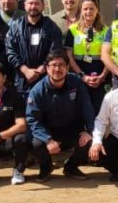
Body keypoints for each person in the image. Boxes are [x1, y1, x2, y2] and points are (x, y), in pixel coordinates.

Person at [26, 49, 95, 181]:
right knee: (36, 143)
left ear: (68, 68)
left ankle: (71, 167)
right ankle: (46, 168)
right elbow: (33, 119)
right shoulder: (37, 91)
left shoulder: (76, 83)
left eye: (61, 65)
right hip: (49, 131)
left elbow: (87, 108)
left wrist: (90, 131)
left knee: (89, 140)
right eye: (53, 65)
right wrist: (47, 139)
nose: (57, 69)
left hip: (72, 129)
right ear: (47, 68)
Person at [6, 0, 64, 101]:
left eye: (37, 3)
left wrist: (41, 69)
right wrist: (25, 70)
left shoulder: (51, 27)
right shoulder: (15, 26)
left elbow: (55, 51)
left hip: (45, 80)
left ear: (43, 5)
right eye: (30, 3)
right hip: (21, 82)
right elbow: (10, 51)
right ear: (24, 5)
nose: (33, 6)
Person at [65, 0, 109, 115]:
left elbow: (110, 56)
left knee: (98, 111)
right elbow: (69, 56)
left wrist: (102, 76)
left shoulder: (106, 31)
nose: (88, 12)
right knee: (78, 110)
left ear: (97, 10)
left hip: (99, 78)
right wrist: (82, 76)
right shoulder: (73, 30)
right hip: (79, 75)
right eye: (85, 9)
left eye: (91, 8)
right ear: (81, 11)